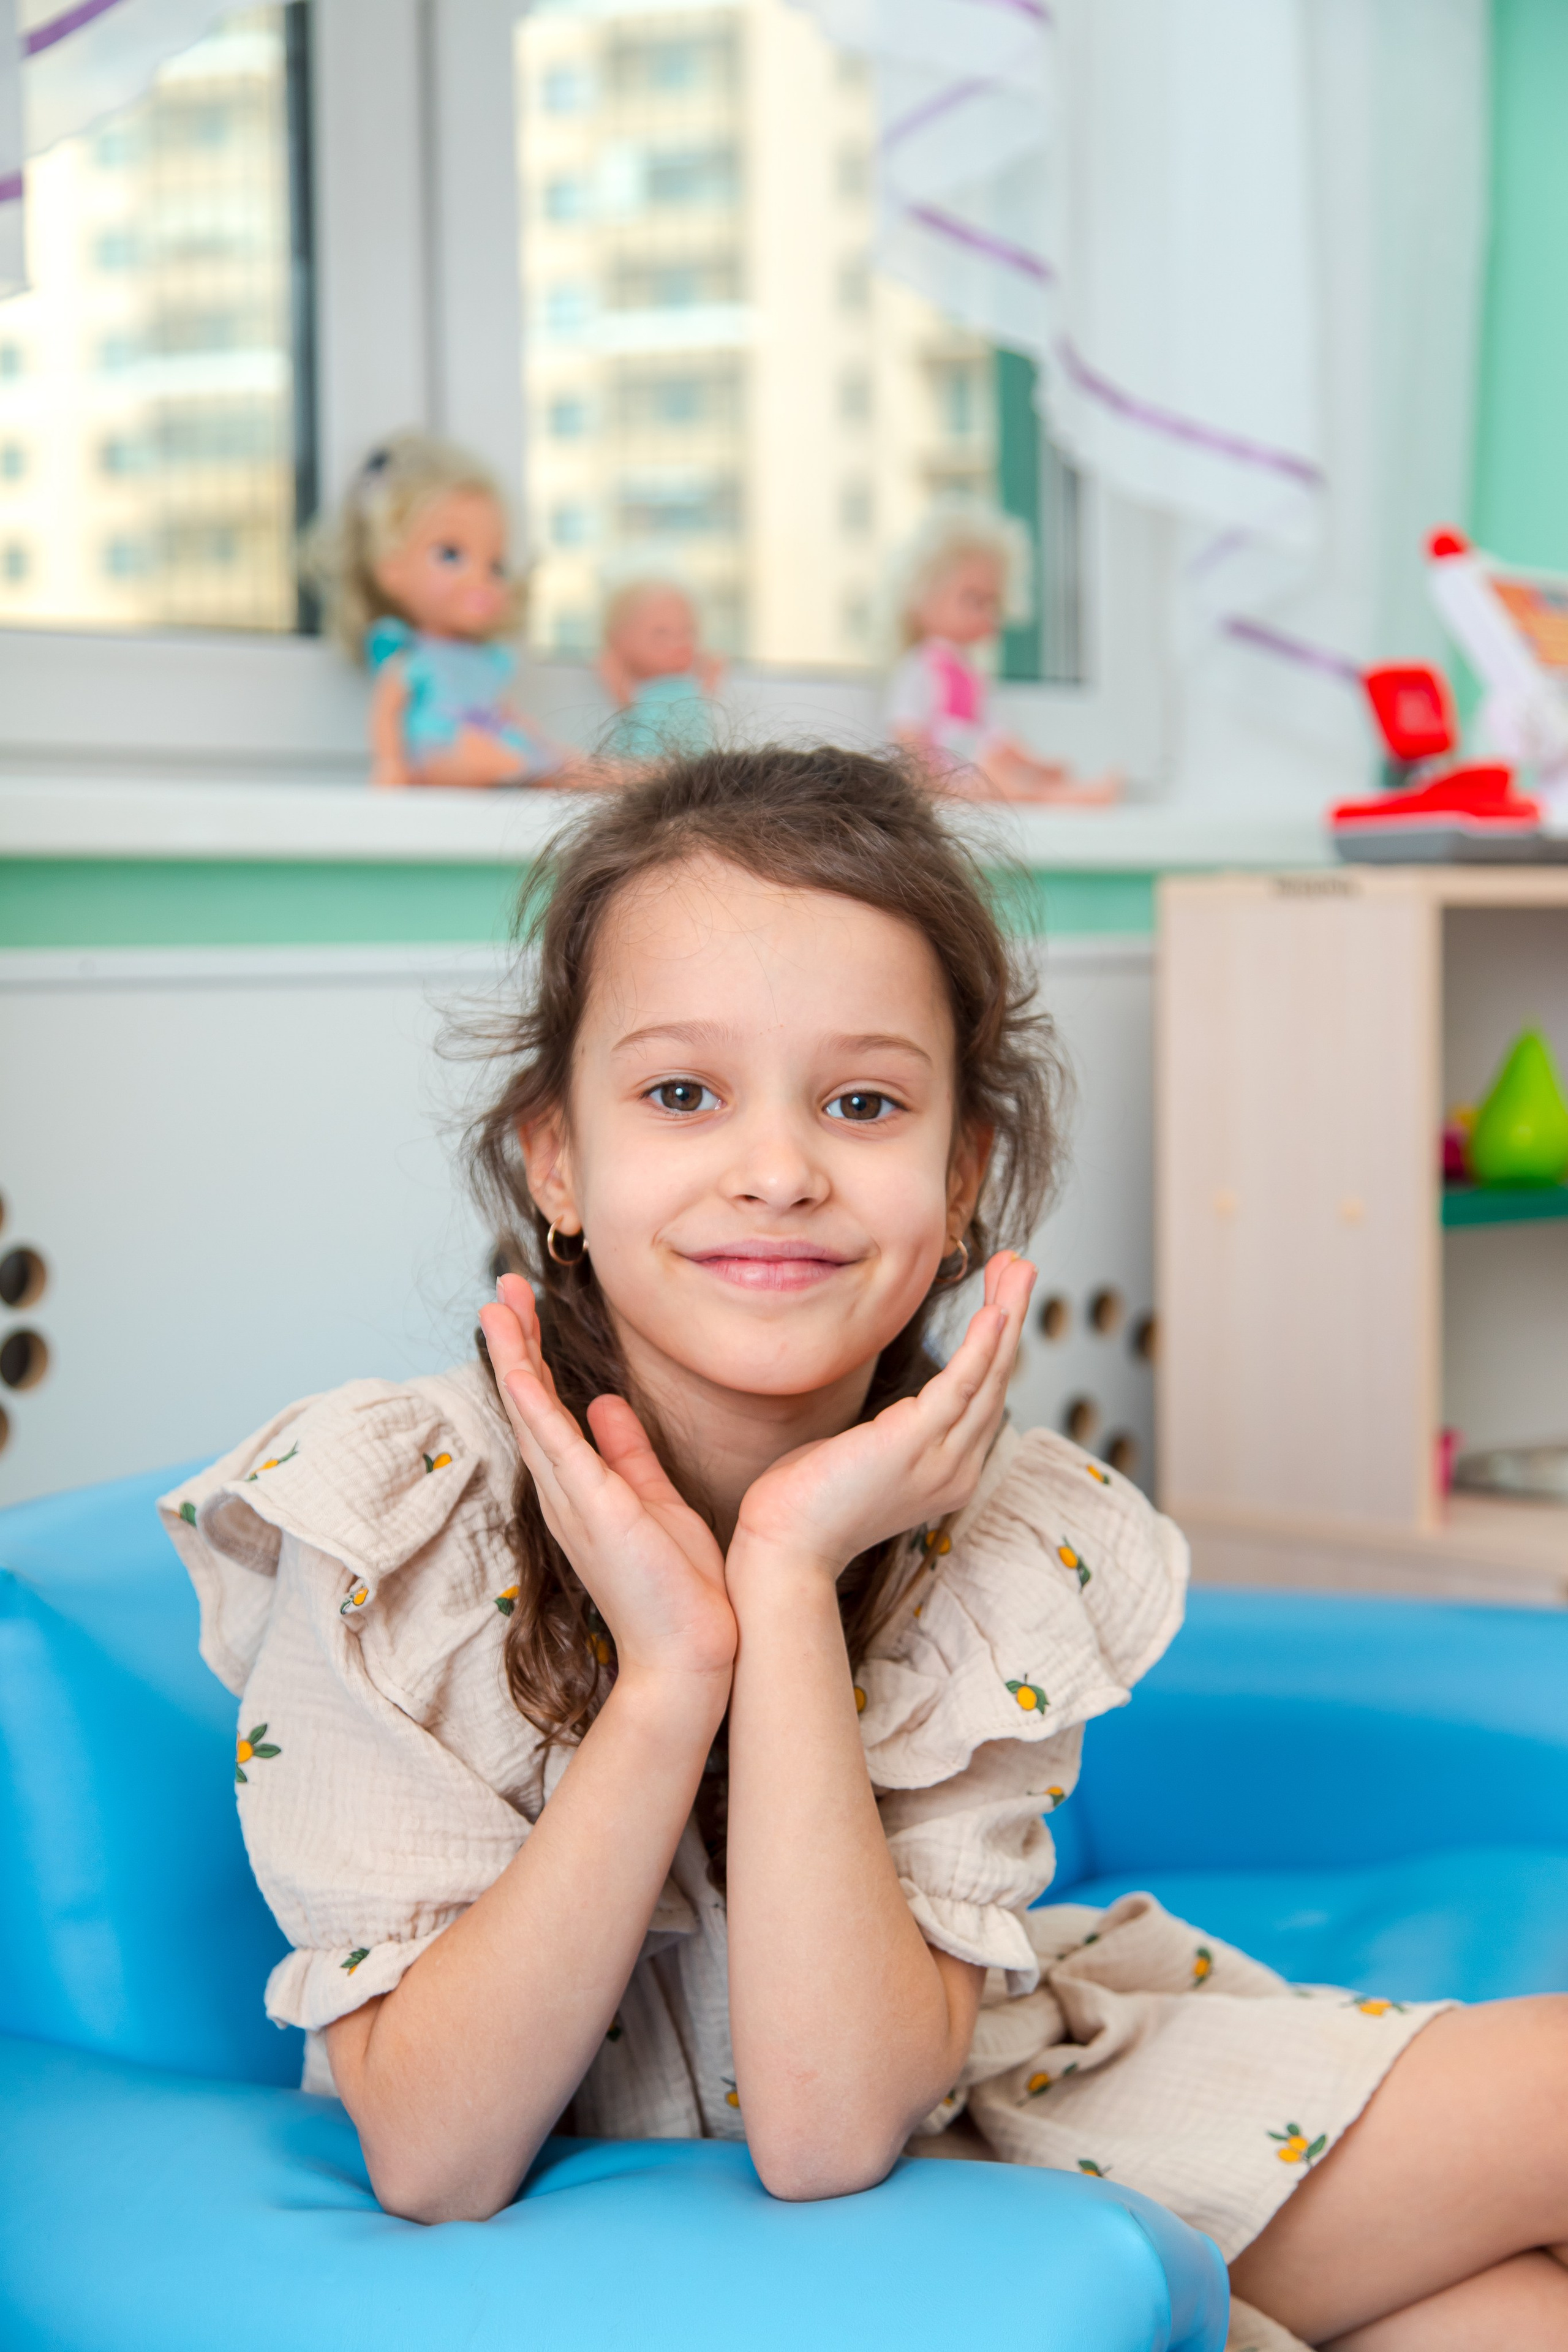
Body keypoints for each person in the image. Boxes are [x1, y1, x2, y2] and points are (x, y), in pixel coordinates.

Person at [162, 750, 1568, 2349]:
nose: (779, 1169)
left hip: (980, 2115)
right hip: (764, 2221)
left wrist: (787, 1570)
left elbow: (855, 2099)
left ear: (962, 1178)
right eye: (684, 1093)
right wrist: (677, 1674)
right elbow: (436, 2148)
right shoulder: (389, 1516)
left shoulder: (1011, 1534)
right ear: (558, 1158)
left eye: (866, 1102)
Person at [306, 432, 600, 791]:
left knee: (555, 760)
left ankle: (595, 773)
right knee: (472, 753)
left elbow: (505, 712)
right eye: (450, 555)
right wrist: (391, 765)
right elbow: (387, 713)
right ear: (392, 568)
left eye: (496, 566)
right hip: (439, 750)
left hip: (493, 740)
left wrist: (542, 746)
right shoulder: (409, 657)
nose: (480, 578)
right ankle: (521, 767)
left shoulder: (484, 661)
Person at [884, 507, 1118, 805]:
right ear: (922, 595)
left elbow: (999, 738)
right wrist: (924, 782)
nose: (985, 613)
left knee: (1002, 773)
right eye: (972, 599)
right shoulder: (918, 669)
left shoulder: (971, 677)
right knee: (1001, 781)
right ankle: (1067, 798)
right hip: (943, 783)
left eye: (991, 602)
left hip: (970, 772)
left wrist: (1036, 765)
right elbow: (908, 735)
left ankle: (1063, 793)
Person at [597, 576, 722, 761]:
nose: (679, 643)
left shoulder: (689, 688)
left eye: (688, 631)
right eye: (661, 633)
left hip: (690, 774)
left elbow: (715, 669)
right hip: (643, 770)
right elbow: (607, 664)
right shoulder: (635, 695)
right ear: (622, 640)